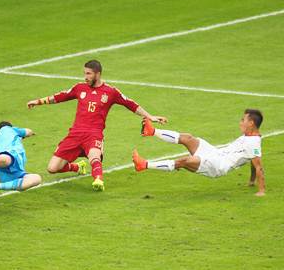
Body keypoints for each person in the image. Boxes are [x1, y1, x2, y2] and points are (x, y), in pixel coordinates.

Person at [27, 59, 167, 192]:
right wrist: (38, 101)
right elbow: (59, 96)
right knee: (52, 168)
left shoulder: (111, 92)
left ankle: (98, 180)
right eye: (84, 73)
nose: (85, 77)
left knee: (95, 156)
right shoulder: (79, 88)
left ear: (98, 74)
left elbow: (130, 104)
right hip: (75, 133)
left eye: (88, 73)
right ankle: (77, 167)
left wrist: (150, 117)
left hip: (94, 133)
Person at [133, 109, 266, 196]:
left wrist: (261, 190)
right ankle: (151, 131)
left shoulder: (254, 143)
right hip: (215, 153)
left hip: (218, 165)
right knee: (188, 138)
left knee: (185, 161)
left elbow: (258, 166)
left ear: (251, 123)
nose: (240, 122)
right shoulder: (248, 136)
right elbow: (252, 162)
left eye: (243, 120)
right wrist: (251, 181)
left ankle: (144, 165)